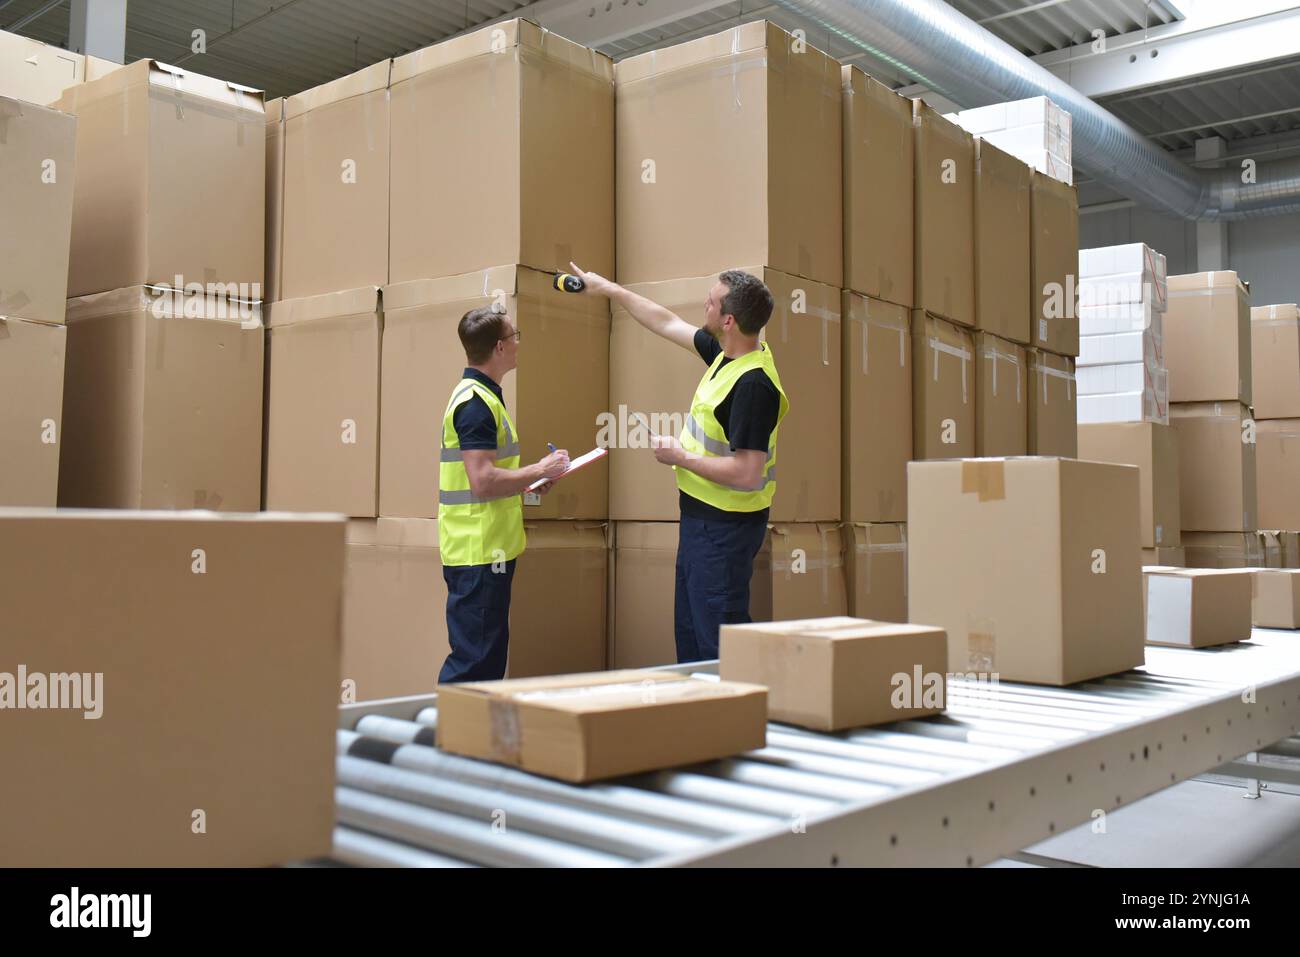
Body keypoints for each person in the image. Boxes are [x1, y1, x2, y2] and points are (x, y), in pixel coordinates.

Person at [569, 263, 788, 662]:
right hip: (701, 522)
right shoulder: (727, 356)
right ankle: (697, 717)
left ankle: (729, 719)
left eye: (710, 300)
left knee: (717, 645)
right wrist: (609, 290)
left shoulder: (753, 385)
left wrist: (680, 457)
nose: (703, 304)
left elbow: (748, 473)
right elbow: (665, 322)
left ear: (728, 320)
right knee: (691, 635)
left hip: (725, 530)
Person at [437, 306, 569, 683]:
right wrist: (541, 468)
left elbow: (491, 478)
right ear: (499, 347)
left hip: (487, 547)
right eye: (514, 337)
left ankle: (472, 737)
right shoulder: (475, 405)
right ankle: (448, 737)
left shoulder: (484, 397)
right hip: (478, 550)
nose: (517, 344)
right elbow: (482, 480)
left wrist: (529, 482)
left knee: (487, 660)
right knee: (474, 661)